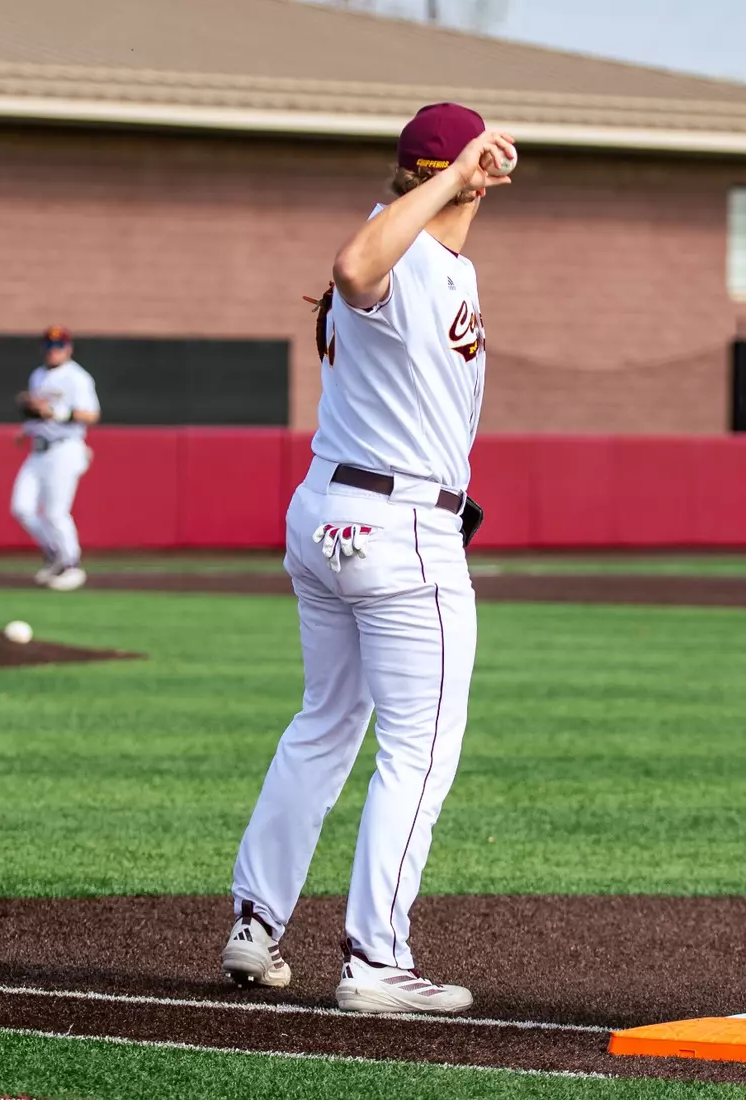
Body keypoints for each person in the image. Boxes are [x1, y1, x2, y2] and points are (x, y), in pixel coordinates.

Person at [219, 103, 512, 1015]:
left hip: (338, 513)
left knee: (327, 722)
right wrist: (454, 175)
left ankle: (257, 923)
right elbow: (352, 268)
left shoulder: (437, 258)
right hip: (393, 529)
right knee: (418, 749)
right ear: (461, 170)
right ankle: (377, 961)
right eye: (477, 154)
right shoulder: (401, 252)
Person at [11, 325, 99, 592]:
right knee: (21, 508)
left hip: (65, 447)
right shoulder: (37, 375)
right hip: (39, 448)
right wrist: (27, 427)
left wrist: (57, 413)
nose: (53, 351)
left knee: (55, 512)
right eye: (49, 346)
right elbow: (38, 412)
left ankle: (72, 565)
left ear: (68, 348)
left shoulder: (77, 378)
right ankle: (54, 554)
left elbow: (92, 415)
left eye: (58, 346)